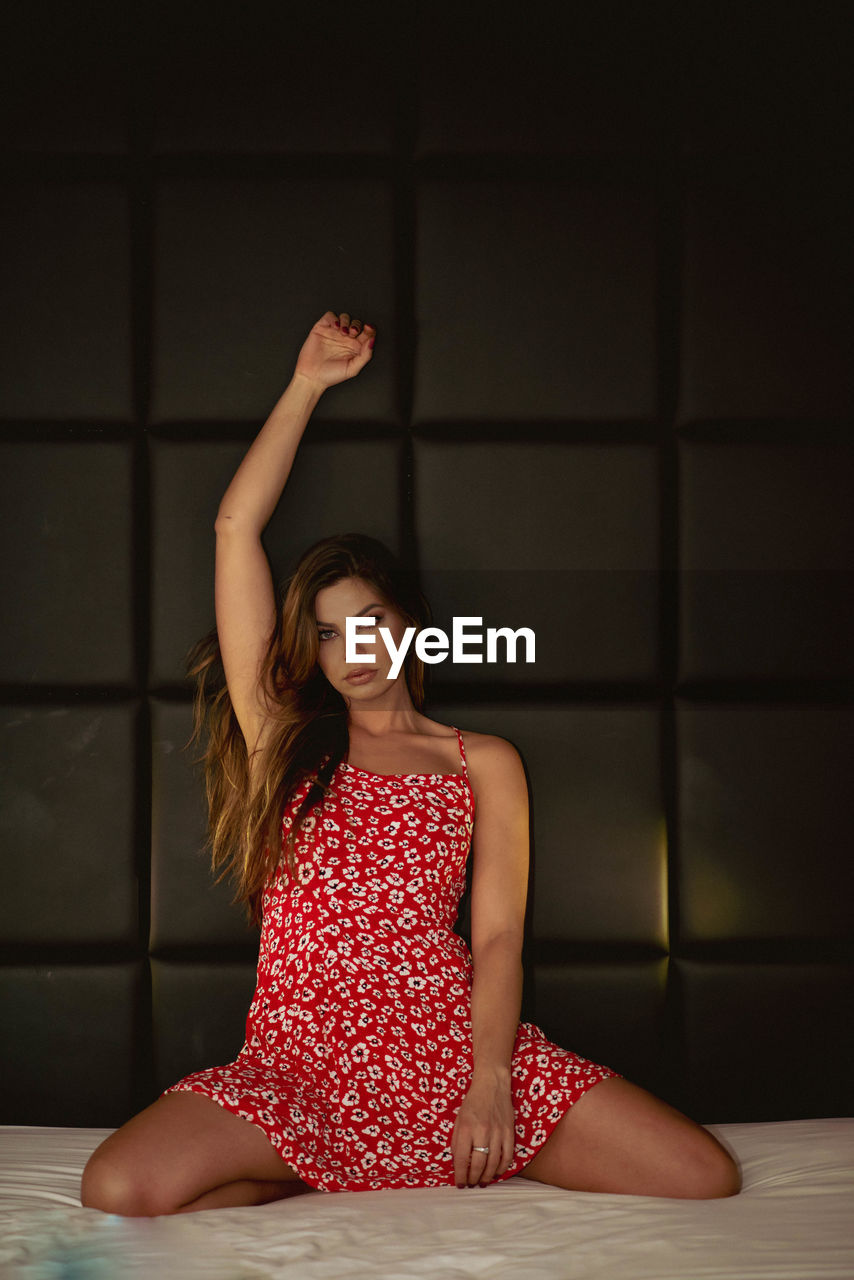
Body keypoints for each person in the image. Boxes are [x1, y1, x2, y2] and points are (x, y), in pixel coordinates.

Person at [80, 310, 740, 1216]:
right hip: (301, 1066)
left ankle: (428, 1149)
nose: (349, 649)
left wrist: (492, 1081)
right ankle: (323, 1162)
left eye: (369, 624)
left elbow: (499, 938)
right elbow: (236, 529)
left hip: (447, 1048)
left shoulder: (483, 761)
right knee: (116, 1186)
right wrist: (307, 382)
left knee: (702, 1174)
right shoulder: (282, 736)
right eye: (323, 632)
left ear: (409, 628)